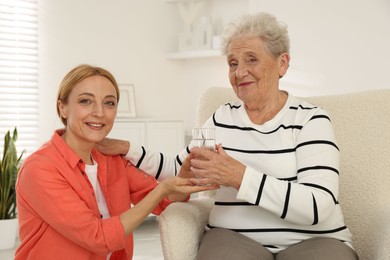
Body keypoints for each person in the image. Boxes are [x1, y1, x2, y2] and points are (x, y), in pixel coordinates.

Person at [96, 13, 359, 260]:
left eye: (251, 60)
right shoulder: (221, 117)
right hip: (234, 236)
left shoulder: (310, 119)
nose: (239, 72)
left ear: (282, 63)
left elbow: (318, 205)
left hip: (313, 240)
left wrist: (239, 176)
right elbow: (182, 168)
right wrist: (128, 148)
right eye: (233, 63)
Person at [15, 64, 217, 260]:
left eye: (109, 103)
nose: (99, 112)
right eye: (86, 101)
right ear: (63, 108)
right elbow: (98, 237)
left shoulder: (111, 160)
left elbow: (163, 201)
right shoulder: (40, 169)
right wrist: (162, 189)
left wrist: (185, 179)